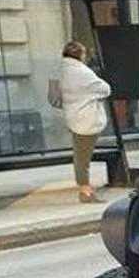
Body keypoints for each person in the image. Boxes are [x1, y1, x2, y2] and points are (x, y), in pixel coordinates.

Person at [59, 40, 111, 203]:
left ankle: (84, 189)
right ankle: (85, 191)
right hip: (86, 118)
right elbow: (105, 89)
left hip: (73, 116)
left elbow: (55, 96)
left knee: (80, 155)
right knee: (83, 158)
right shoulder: (82, 72)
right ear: (80, 55)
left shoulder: (61, 70)